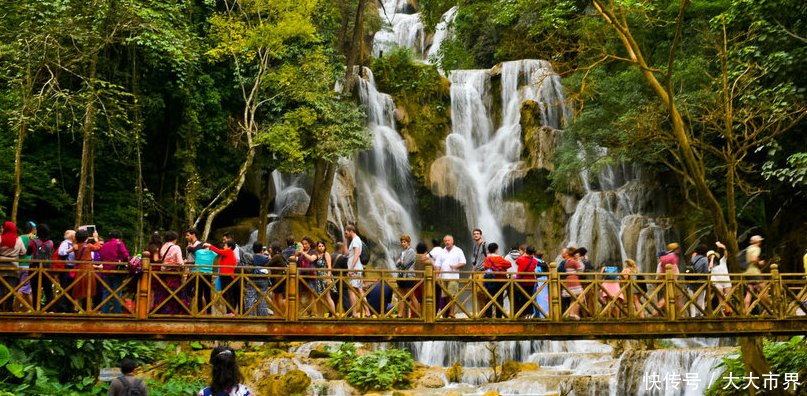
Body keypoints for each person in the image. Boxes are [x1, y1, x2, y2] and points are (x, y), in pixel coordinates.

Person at [151, 231, 189, 315]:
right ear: (175, 239)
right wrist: (184, 262)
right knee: (177, 293)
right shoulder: (176, 247)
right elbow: (180, 262)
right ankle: (178, 312)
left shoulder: (163, 247)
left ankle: (163, 311)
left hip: (164, 273)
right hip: (173, 273)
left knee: (165, 293)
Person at [70, 229, 103, 311]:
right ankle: (88, 309)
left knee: (78, 288)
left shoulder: (76, 246)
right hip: (88, 268)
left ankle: (76, 308)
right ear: (86, 238)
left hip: (79, 268)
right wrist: (96, 239)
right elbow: (99, 247)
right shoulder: (88, 246)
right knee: (89, 288)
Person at [98, 231, 131, 314]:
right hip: (116, 270)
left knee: (106, 292)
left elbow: (101, 256)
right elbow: (126, 255)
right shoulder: (119, 243)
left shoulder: (105, 245)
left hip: (106, 271)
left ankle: (104, 312)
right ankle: (117, 312)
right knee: (117, 292)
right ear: (119, 237)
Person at [205, 240, 238, 315]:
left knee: (227, 293)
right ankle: (230, 312)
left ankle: (230, 312)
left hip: (227, 275)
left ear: (229, 247)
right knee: (227, 293)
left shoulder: (229, 251)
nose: (224, 247)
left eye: (225, 245)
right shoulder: (229, 253)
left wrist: (210, 246)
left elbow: (219, 251)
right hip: (226, 275)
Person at [0, 221, 26, 311]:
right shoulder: (18, 240)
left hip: (1, 266)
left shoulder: (0, 238)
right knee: (11, 289)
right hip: (13, 266)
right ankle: (9, 308)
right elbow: (23, 252)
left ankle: (0, 307)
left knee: (0, 288)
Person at [438, 235, 465, 318]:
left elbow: (463, 262)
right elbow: (438, 264)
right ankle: (449, 311)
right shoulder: (442, 251)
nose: (447, 242)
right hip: (443, 277)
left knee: (452, 295)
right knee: (446, 295)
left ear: (452, 241)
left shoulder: (458, 250)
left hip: (453, 277)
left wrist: (455, 266)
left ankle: (452, 313)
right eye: (445, 241)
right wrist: (437, 275)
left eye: (448, 240)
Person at [482, 243, 512, 318]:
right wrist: (501, 268)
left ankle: (488, 315)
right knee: (499, 298)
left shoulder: (487, 259)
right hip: (500, 280)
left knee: (489, 297)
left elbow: (486, 267)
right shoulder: (500, 258)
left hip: (490, 280)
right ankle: (499, 316)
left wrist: (492, 268)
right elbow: (509, 264)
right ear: (496, 249)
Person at [345, 225, 368, 317]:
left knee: (353, 290)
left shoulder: (355, 240)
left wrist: (351, 269)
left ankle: (356, 313)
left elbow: (356, 254)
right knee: (358, 290)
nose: (345, 234)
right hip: (355, 268)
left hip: (355, 269)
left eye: (346, 232)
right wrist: (346, 240)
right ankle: (366, 312)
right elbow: (347, 253)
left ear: (351, 231)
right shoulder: (355, 240)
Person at [30, 224, 55, 309]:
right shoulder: (51, 243)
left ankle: (36, 308)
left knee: (35, 290)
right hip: (47, 268)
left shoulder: (33, 242)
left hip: (35, 267)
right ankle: (50, 308)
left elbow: (28, 252)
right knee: (48, 289)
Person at [51, 229, 76, 313]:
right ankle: (62, 307)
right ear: (72, 236)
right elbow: (61, 253)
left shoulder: (72, 243)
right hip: (66, 267)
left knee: (70, 288)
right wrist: (71, 250)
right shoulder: (65, 243)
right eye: (75, 235)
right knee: (65, 287)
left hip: (72, 267)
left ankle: (69, 307)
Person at [395, 234, 418, 318]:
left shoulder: (411, 251)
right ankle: (400, 314)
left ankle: (418, 314)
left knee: (411, 296)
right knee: (401, 296)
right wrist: (400, 262)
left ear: (408, 242)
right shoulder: (403, 252)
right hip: (401, 276)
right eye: (402, 242)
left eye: (404, 242)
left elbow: (404, 264)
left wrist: (400, 262)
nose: (403, 244)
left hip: (409, 276)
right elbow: (396, 264)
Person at [244, 242, 270, 316]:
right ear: (262, 249)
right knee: (262, 298)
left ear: (253, 249)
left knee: (250, 297)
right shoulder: (266, 259)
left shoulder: (250, 258)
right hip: (263, 279)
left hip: (252, 279)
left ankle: (250, 316)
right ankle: (262, 317)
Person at [16, 221, 37, 311]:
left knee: (27, 289)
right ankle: (15, 308)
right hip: (29, 266)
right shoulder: (35, 238)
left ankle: (26, 309)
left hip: (19, 265)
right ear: (33, 229)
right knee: (24, 289)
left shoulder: (19, 237)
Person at [743, 235, 767, 314]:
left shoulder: (748, 248)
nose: (760, 242)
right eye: (760, 241)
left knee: (749, 292)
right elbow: (753, 259)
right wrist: (760, 262)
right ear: (757, 241)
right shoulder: (756, 248)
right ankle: (766, 310)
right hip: (754, 272)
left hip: (747, 272)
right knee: (764, 289)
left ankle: (745, 311)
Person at [514, 246, 540, 318]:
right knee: (530, 298)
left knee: (522, 298)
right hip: (531, 281)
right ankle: (530, 313)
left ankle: (523, 314)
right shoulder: (535, 261)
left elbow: (517, 262)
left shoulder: (520, 259)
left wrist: (524, 254)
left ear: (526, 251)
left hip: (521, 281)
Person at [655, 242, 681, 315]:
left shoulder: (664, 259)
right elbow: (675, 269)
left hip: (666, 281)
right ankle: (656, 311)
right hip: (670, 281)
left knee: (675, 298)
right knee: (669, 297)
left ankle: (678, 313)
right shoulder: (673, 257)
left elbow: (661, 272)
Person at [313, 240, 336, 317]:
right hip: (318, 277)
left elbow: (329, 267)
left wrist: (328, 278)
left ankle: (333, 315)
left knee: (327, 296)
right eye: (319, 246)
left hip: (325, 276)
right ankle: (320, 316)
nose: (321, 247)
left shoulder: (326, 254)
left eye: (322, 246)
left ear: (325, 247)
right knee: (318, 297)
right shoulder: (316, 255)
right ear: (317, 247)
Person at [469, 229, 489, 317]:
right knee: (477, 293)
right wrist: (471, 273)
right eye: (474, 234)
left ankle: (487, 312)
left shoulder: (485, 245)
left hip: (483, 271)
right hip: (476, 272)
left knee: (482, 292)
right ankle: (482, 313)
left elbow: (489, 257)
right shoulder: (475, 247)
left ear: (481, 235)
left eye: (477, 233)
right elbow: (475, 262)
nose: (476, 235)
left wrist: (487, 270)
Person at [710, 243, 732, 316]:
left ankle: (728, 312)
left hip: (726, 280)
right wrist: (712, 258)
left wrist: (723, 247)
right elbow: (710, 267)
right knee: (721, 298)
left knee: (728, 298)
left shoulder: (722, 261)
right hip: (717, 282)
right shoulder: (710, 265)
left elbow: (726, 255)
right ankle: (723, 315)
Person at [562, 248, 585, 320]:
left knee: (573, 299)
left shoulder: (567, 261)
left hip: (568, 280)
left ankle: (570, 314)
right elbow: (581, 269)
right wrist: (578, 260)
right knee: (581, 298)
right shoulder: (573, 261)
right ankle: (572, 314)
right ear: (574, 254)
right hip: (574, 280)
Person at [687, 243, 709, 317]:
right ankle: (699, 314)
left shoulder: (693, 258)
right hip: (700, 282)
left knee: (692, 299)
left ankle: (693, 315)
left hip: (691, 281)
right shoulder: (705, 259)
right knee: (700, 298)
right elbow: (706, 271)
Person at [267, 242, 288, 316]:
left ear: (274, 248)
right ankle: (277, 314)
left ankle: (281, 314)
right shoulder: (279, 256)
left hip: (279, 280)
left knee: (278, 296)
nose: (269, 249)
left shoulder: (277, 257)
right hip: (277, 279)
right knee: (274, 296)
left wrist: (269, 257)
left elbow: (267, 265)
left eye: (270, 247)